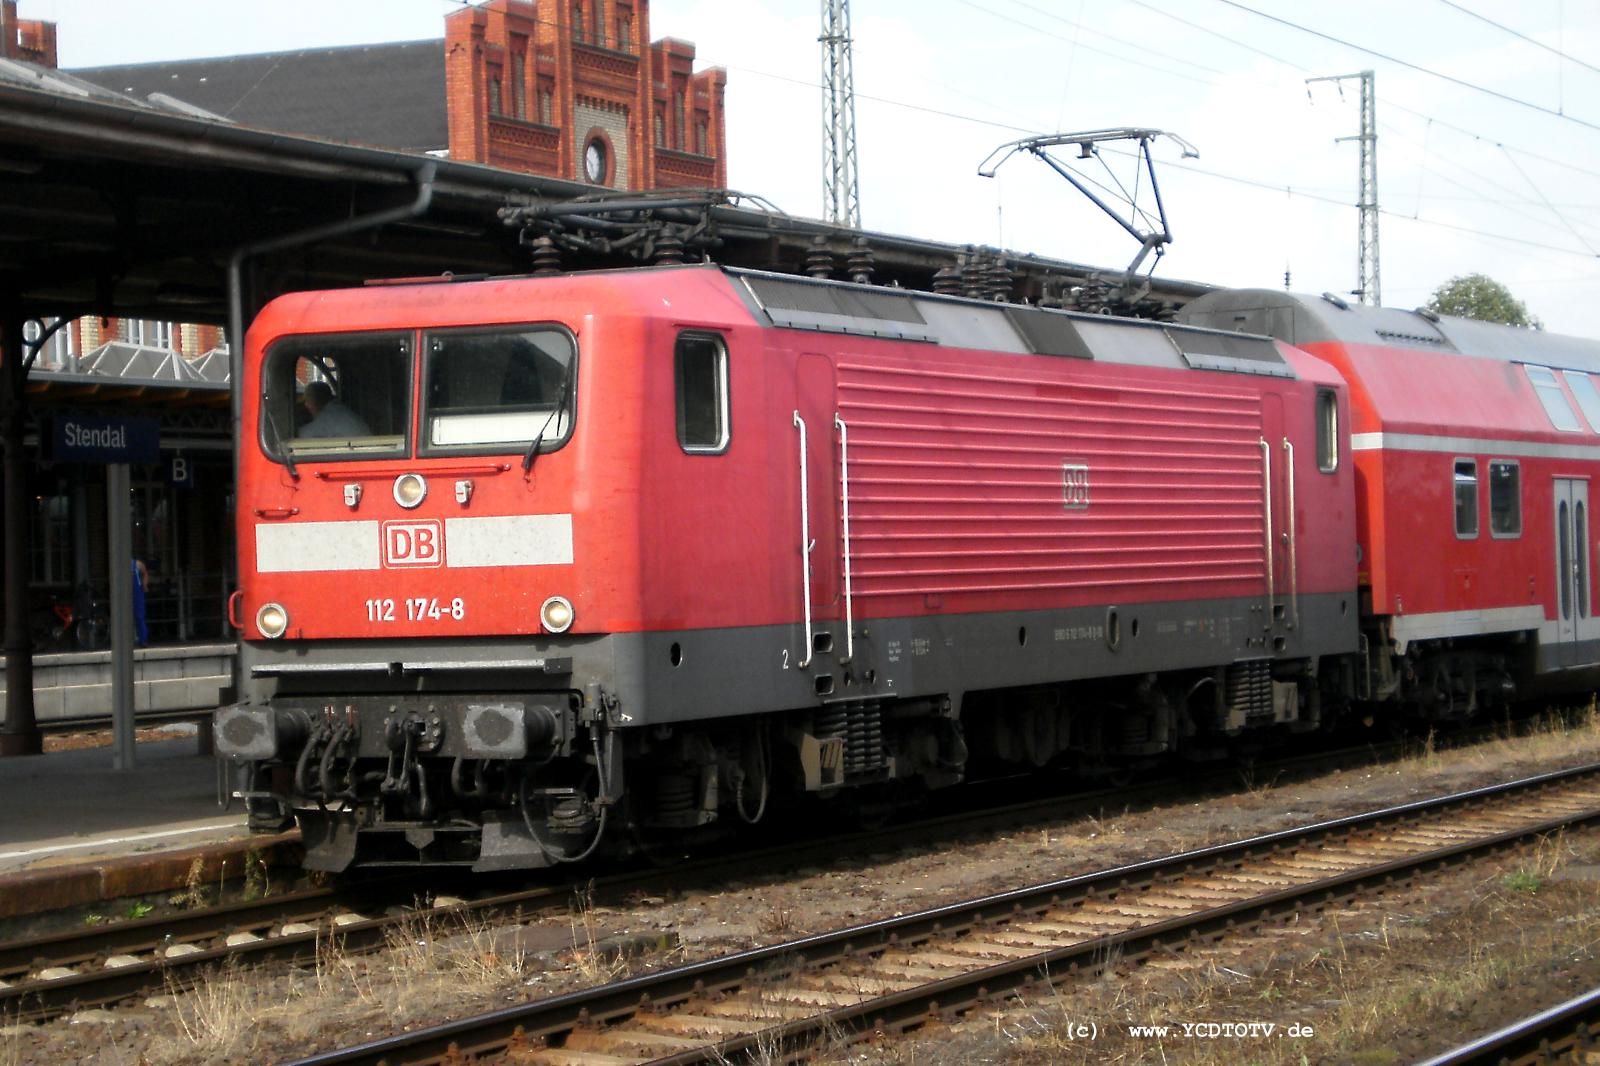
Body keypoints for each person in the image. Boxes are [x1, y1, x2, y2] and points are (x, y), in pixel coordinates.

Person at [300, 381, 372, 438]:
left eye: (308, 400)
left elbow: (303, 436)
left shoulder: (330, 415)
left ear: (319, 398)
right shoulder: (341, 410)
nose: (306, 405)